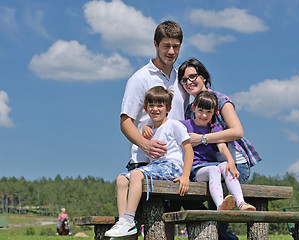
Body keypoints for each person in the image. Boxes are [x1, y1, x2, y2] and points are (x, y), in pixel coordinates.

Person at [117, 20, 188, 239]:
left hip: (174, 165)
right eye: (166, 46)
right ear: (155, 44)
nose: (171, 51)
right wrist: (145, 144)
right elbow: (125, 121)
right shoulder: (140, 78)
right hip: (143, 162)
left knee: (166, 227)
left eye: (176, 46)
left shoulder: (181, 79)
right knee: (133, 226)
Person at [178, 58, 262, 240]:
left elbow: (237, 131)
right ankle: (221, 233)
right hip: (207, 165)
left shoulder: (220, 100)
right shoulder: (189, 110)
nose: (189, 82)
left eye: (193, 76)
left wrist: (202, 138)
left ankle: (224, 232)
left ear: (204, 77)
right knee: (184, 196)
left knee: (216, 193)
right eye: (184, 80)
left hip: (234, 165)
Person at [105, 86, 194, 239]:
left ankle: (129, 219)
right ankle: (123, 223)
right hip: (156, 167)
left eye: (160, 105)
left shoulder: (174, 125)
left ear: (168, 108)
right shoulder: (150, 130)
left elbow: (189, 150)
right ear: (145, 109)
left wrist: (186, 176)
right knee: (121, 179)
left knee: (136, 174)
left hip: (172, 167)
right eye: (151, 105)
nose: (155, 109)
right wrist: (146, 129)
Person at [180, 91, 256, 211]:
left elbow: (221, 146)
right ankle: (220, 205)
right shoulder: (183, 126)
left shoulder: (213, 129)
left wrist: (231, 161)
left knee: (225, 165)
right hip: (195, 169)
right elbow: (166, 128)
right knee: (214, 170)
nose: (204, 115)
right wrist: (147, 127)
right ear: (194, 108)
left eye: (208, 112)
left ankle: (241, 203)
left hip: (210, 165)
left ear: (214, 112)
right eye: (200, 110)